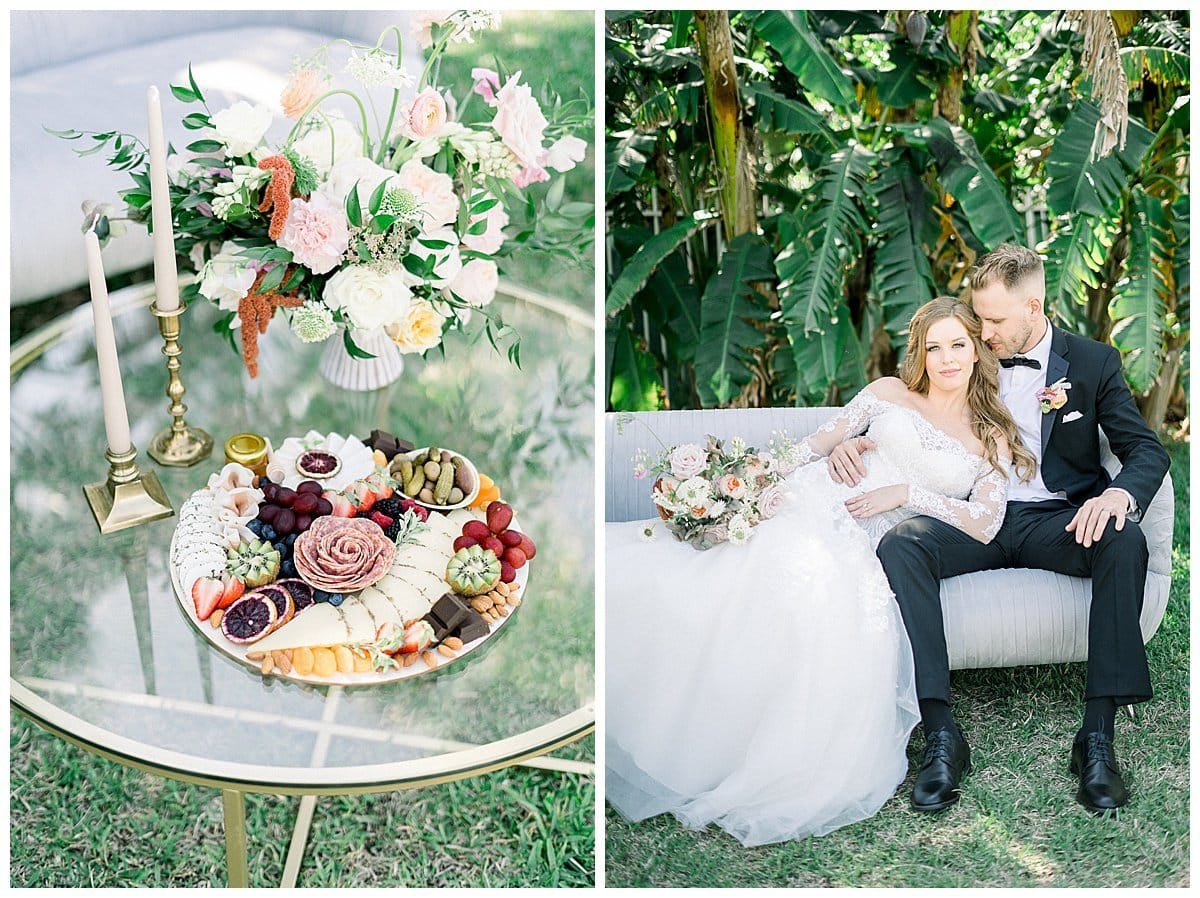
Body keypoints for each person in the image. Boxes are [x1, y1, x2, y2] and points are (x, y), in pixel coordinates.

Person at [606, 296, 1038, 846]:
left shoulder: (990, 433)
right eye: (934, 347)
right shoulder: (887, 393)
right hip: (809, 500)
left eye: (958, 345)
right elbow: (815, 445)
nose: (947, 359)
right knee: (724, 568)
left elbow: (984, 521)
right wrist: (738, 483)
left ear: (977, 351)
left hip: (866, 538)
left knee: (806, 591)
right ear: (920, 354)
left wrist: (908, 493)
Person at [828, 244, 1171, 814]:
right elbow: (908, 407)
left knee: (1124, 539)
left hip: (1056, 519)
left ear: (1033, 307)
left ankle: (1097, 736)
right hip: (970, 514)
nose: (981, 331)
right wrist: (854, 437)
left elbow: (1144, 450)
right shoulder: (969, 353)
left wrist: (1116, 494)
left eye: (993, 320)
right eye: (977, 318)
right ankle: (941, 733)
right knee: (902, 543)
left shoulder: (1092, 363)